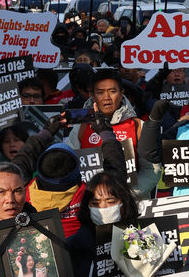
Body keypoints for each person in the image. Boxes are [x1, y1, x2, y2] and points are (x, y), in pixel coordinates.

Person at [64, 68, 160, 197]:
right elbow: (68, 168)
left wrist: (127, 196)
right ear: (92, 95)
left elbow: (152, 170)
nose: (107, 98)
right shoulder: (81, 128)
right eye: (100, 92)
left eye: (112, 91)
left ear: (121, 94)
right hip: (92, 206)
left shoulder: (138, 126)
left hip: (132, 205)